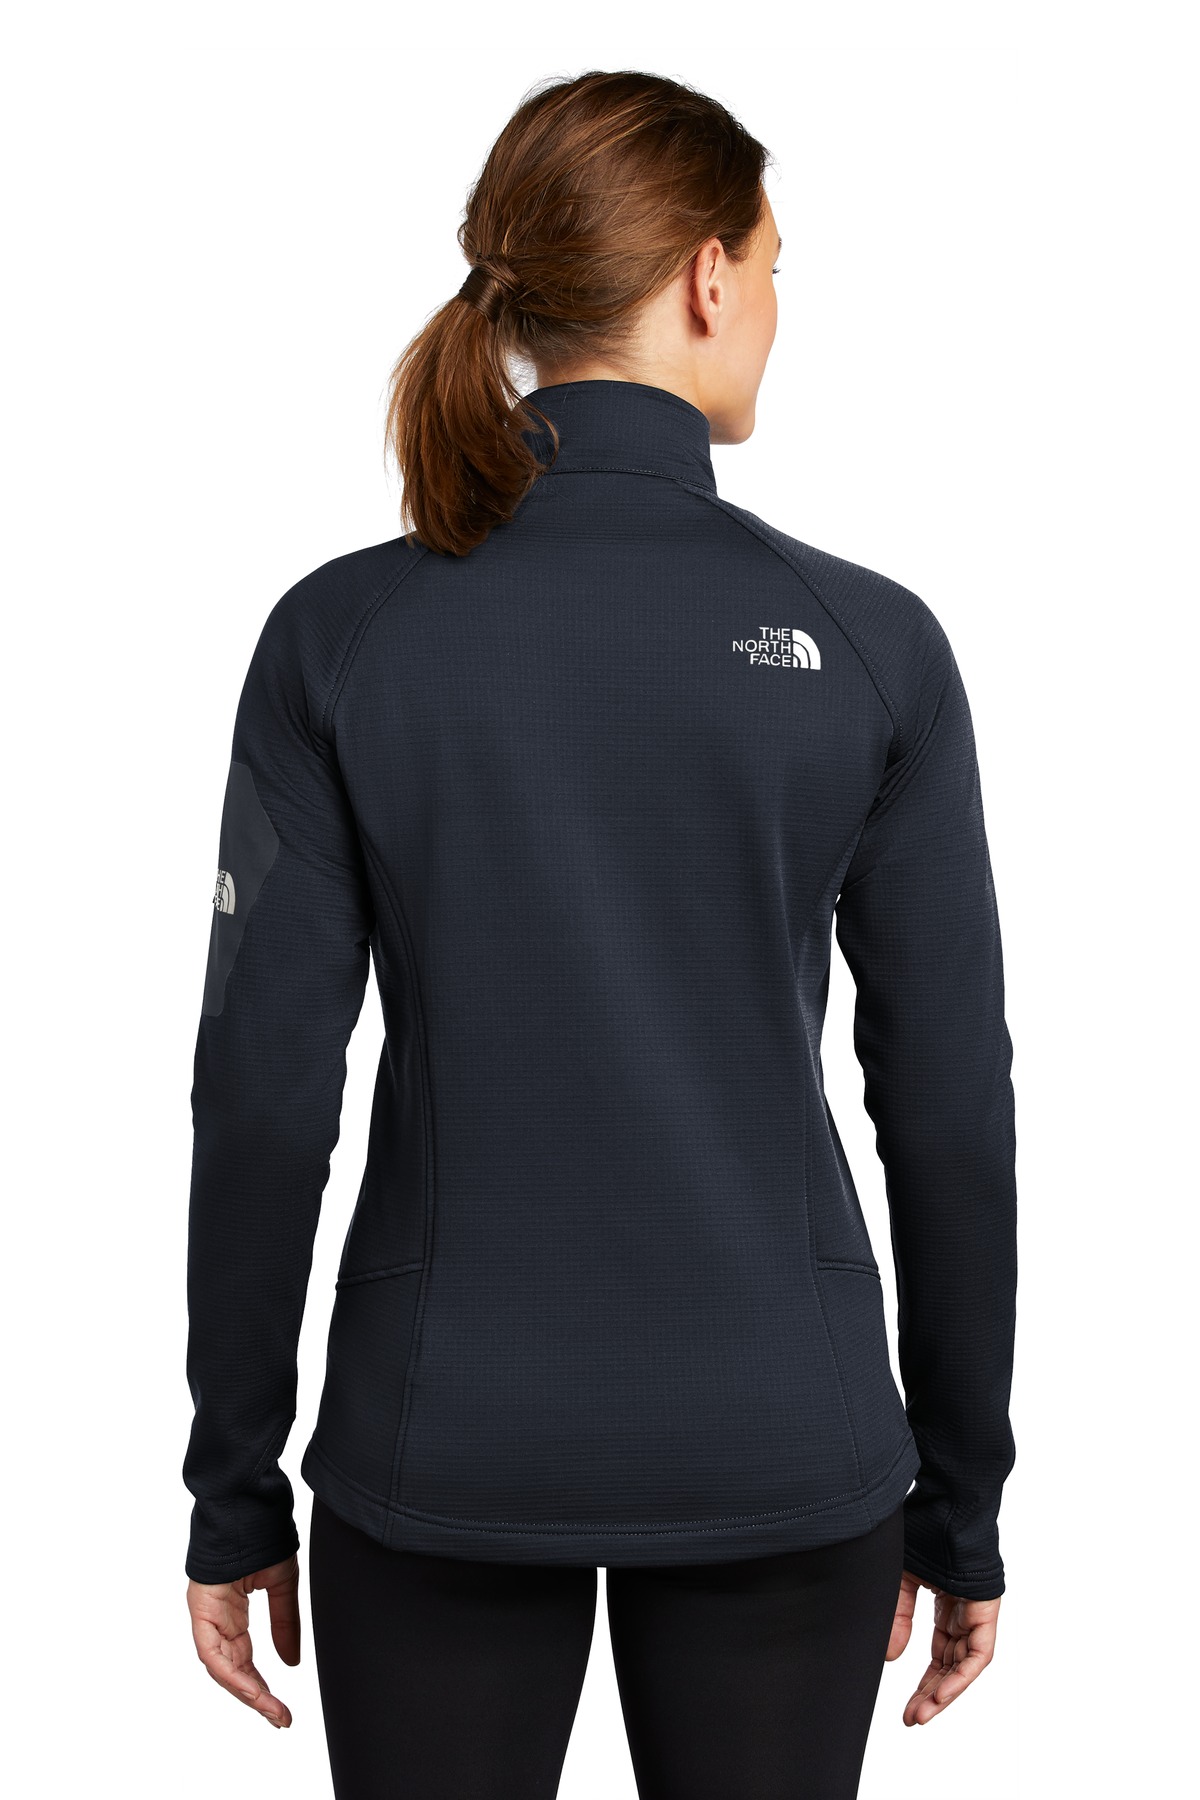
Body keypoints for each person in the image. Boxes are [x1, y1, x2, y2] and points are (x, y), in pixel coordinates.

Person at [182, 69, 1018, 1800]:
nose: (775, 309)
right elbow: (948, 1103)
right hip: (780, 1442)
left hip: (441, 1440)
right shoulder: (868, 643)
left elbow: (262, 1095)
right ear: (708, 277)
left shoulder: (342, 635)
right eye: (775, 268)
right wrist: (962, 1496)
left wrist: (233, 1482)